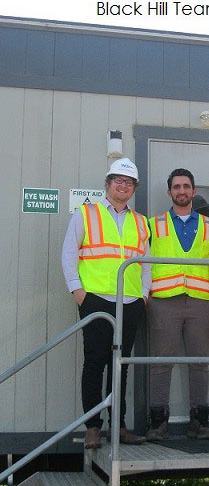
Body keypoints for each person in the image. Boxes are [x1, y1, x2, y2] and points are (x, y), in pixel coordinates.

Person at [62, 158, 151, 449]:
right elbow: (68, 254)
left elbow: (145, 262)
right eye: (118, 181)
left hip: (130, 302)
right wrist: (78, 291)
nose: (123, 186)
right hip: (96, 299)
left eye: (128, 183)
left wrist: (145, 293)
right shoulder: (86, 214)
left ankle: (119, 426)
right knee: (95, 362)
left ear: (134, 188)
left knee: (121, 365)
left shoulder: (140, 221)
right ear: (108, 184)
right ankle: (93, 427)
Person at [146, 168, 209, 441]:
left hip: (202, 302)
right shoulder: (152, 225)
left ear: (193, 191)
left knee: (199, 363)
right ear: (170, 192)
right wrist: (148, 297)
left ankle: (199, 422)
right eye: (176, 186)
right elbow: (143, 261)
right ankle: (158, 424)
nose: (181, 191)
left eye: (186, 186)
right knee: (160, 362)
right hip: (163, 302)